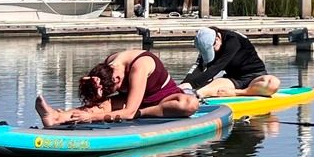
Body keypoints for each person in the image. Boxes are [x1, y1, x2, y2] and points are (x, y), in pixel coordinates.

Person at [35, 48, 198, 127]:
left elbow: (129, 112)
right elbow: (102, 99)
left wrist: (92, 118)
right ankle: (56, 116)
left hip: (161, 99)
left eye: (117, 87)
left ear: (118, 78)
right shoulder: (107, 68)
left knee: (190, 104)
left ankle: (144, 113)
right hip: (132, 102)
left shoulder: (139, 66)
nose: (118, 89)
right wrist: (93, 93)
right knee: (102, 107)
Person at [182, 26, 281, 99]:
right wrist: (186, 84)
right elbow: (199, 67)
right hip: (233, 80)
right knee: (199, 91)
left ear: (218, 39)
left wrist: (192, 84)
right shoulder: (205, 42)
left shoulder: (233, 40)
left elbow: (216, 68)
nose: (213, 53)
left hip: (256, 76)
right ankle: (193, 97)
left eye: (213, 49)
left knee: (273, 84)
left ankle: (240, 92)